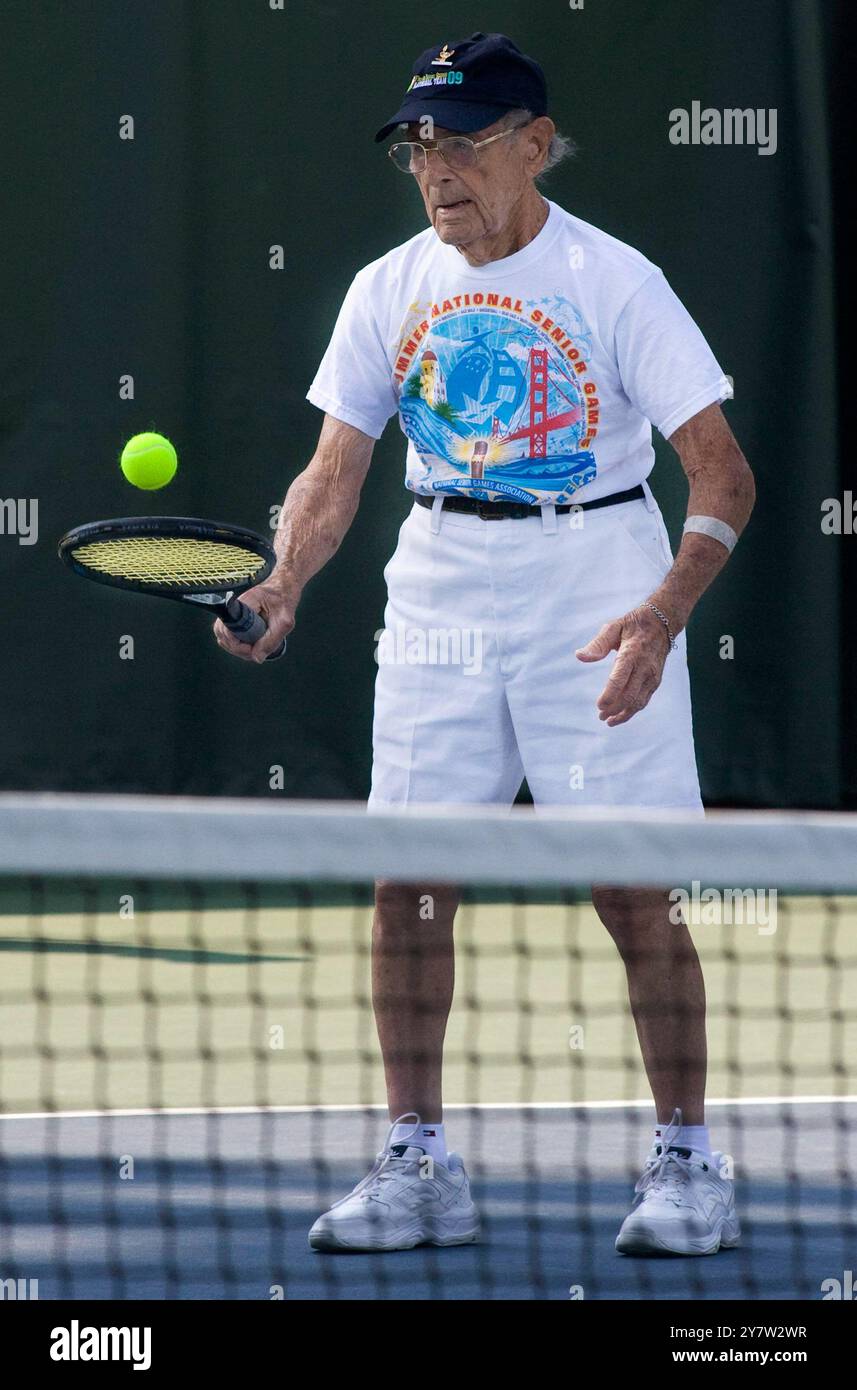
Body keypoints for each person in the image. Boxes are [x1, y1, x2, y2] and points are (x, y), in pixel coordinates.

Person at [214, 31, 755, 1260]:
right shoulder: (383, 288)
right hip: (441, 589)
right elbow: (333, 472)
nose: (435, 168)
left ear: (530, 146)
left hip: (597, 579)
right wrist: (286, 581)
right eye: (417, 145)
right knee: (404, 886)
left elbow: (720, 471)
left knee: (632, 890)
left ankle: (685, 1160)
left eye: (460, 142)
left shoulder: (615, 281)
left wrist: (662, 613)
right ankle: (417, 1163)